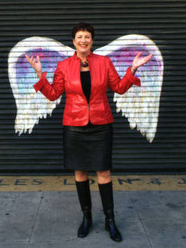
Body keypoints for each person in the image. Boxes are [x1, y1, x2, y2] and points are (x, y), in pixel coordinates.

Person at [25, 22, 152, 242]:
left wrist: (132, 69)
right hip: (74, 126)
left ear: (92, 41)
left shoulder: (104, 62)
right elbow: (54, 94)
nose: (83, 40)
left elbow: (119, 88)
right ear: (73, 41)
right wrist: (39, 75)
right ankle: (87, 217)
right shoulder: (64, 66)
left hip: (101, 124)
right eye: (79, 37)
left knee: (104, 173)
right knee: (80, 173)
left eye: (87, 37)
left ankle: (110, 221)